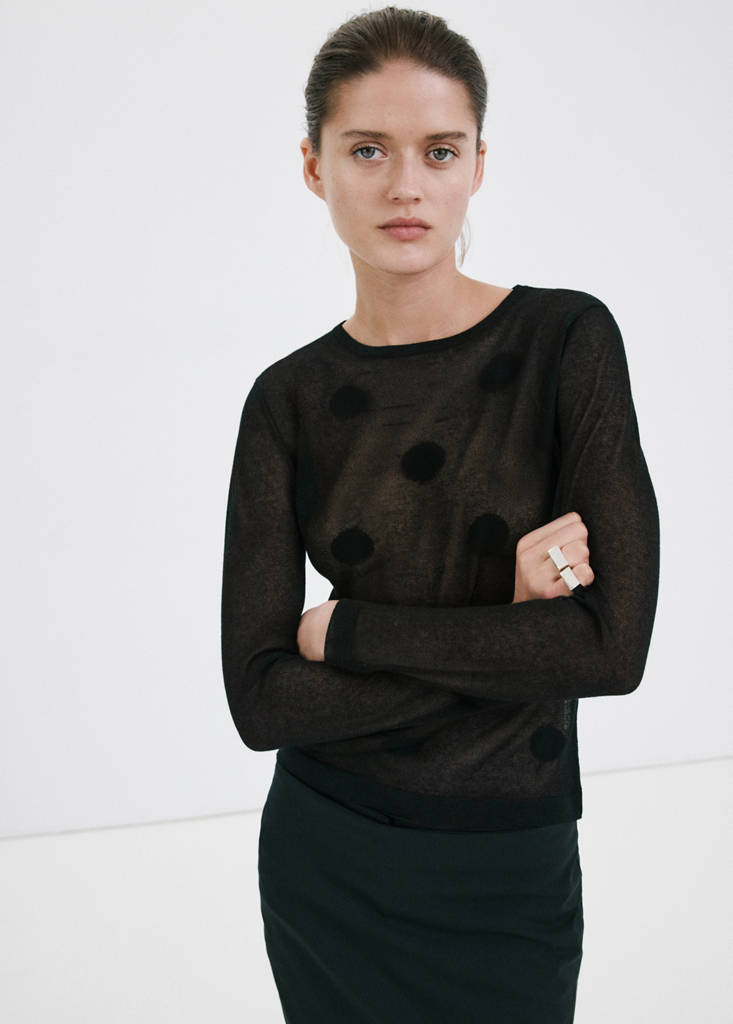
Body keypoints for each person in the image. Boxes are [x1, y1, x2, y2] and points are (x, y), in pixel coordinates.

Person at [220, 6, 660, 1023]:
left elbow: (609, 653)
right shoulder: (286, 400)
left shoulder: (564, 341)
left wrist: (349, 633)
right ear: (314, 166)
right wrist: (513, 633)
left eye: (439, 150)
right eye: (367, 148)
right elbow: (263, 704)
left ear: (477, 165)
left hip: (506, 863)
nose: (405, 185)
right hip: (328, 855)